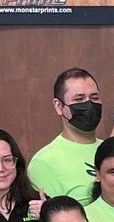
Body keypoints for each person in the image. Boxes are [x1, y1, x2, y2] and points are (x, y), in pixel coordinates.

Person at [29, 68, 108, 199]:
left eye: (94, 97)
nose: (89, 104)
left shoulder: (108, 148)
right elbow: (53, 216)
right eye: (79, 99)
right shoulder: (44, 162)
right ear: (59, 106)